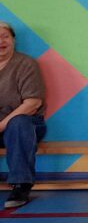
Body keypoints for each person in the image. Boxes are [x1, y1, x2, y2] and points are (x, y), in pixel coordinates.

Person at [0, 22, 46, 209]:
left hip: (26, 125)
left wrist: (1, 125)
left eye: (5, 36)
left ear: (13, 40)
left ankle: (21, 185)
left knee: (18, 123)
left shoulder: (26, 64)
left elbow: (32, 104)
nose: (1, 41)